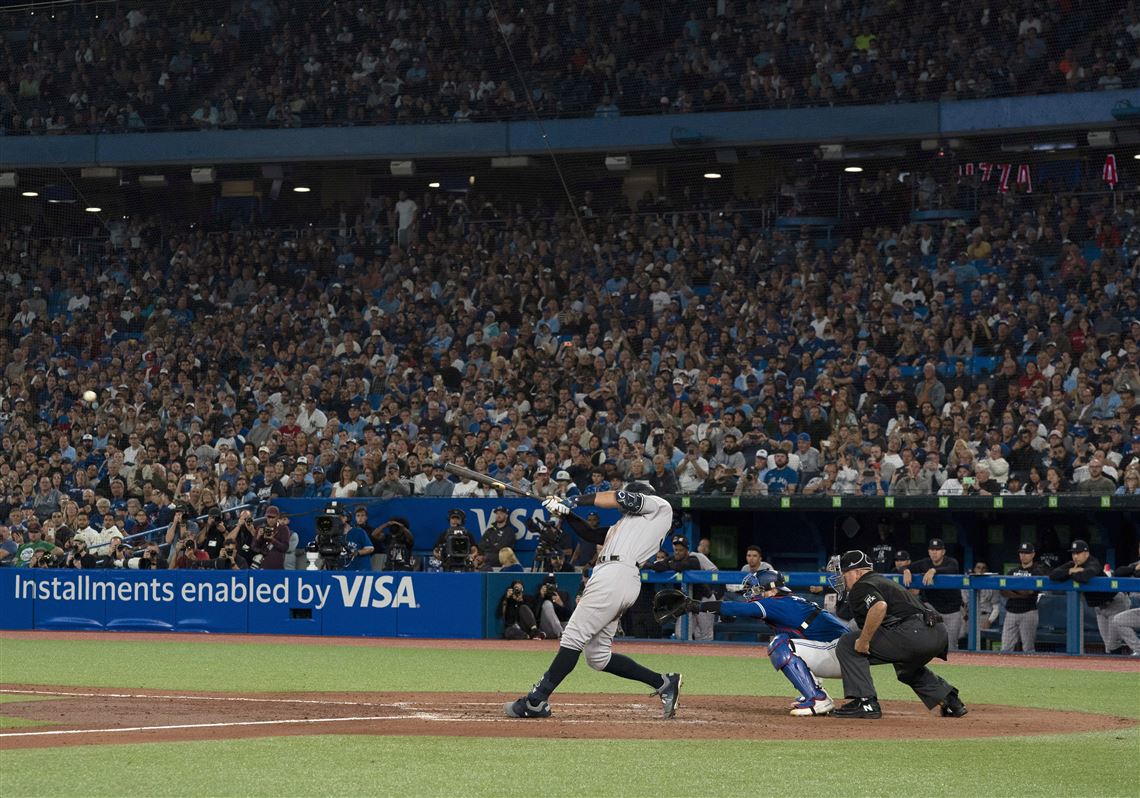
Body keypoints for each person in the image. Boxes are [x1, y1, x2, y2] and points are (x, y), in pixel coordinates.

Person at [505, 483, 682, 719]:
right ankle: (663, 682)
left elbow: (619, 497)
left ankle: (536, 701)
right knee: (597, 657)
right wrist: (566, 513)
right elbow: (590, 533)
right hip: (613, 576)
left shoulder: (659, 507)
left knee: (572, 638)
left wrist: (573, 500)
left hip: (616, 575)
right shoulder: (626, 526)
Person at [686, 569, 850, 716]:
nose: (752, 594)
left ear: (772, 590)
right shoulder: (786, 601)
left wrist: (695, 605)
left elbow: (737, 608)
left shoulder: (777, 602)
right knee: (790, 642)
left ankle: (817, 698)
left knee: (780, 645)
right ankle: (814, 691)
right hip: (842, 654)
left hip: (841, 654)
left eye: (757, 590)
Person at [832, 550, 967, 719]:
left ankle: (865, 701)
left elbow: (879, 606)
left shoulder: (862, 585)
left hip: (913, 632)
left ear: (858, 572)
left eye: (844, 573)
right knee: (906, 667)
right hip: (936, 632)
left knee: (848, 644)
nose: (841, 578)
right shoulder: (880, 580)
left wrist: (864, 641)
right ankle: (950, 701)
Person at [1049, 539, 1131, 655]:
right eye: (1073, 553)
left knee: (1113, 644)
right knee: (1108, 645)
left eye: (1078, 553)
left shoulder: (1093, 562)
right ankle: (1112, 669)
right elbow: (1052, 575)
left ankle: (1127, 666)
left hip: (1115, 603)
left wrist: (1070, 573)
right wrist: (1071, 570)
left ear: (1086, 553)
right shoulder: (1073, 565)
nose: (1075, 556)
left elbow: (1084, 576)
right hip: (1099, 609)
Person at [901, 539, 965, 650]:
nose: (934, 552)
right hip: (933, 608)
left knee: (951, 646)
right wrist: (906, 570)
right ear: (929, 551)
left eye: (937, 549)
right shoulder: (925, 562)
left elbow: (951, 569)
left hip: (952, 611)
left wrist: (933, 570)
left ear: (943, 552)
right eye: (932, 549)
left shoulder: (951, 562)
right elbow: (901, 568)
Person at [650, 535, 715, 641]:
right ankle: (688, 654)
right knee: (681, 633)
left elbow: (681, 566)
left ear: (686, 550)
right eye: (676, 550)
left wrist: (669, 564)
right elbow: (658, 567)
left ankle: (706, 656)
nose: (677, 552)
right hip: (687, 602)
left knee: (704, 635)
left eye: (681, 550)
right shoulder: (671, 559)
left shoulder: (694, 559)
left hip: (704, 599)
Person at [1000, 542, 1048, 653]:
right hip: (1011, 613)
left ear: (1033, 554)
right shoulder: (1012, 571)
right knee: (1005, 648)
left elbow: (1030, 592)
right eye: (1021, 552)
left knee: (1028, 649)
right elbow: (1003, 591)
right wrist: (1020, 592)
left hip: (1028, 613)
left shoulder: (1037, 571)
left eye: (1026, 553)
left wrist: (1013, 590)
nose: (1023, 555)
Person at [1110, 542, 1140, 656]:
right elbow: (1118, 572)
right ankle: (1139, 649)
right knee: (1119, 620)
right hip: (1137, 611)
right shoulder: (1135, 565)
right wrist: (1134, 569)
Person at [478, 506, 514, 572]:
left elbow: (502, 547)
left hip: (501, 564)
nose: (498, 515)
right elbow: (481, 545)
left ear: (506, 515)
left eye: (501, 513)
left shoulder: (509, 531)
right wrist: (494, 544)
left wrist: (489, 543)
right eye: (497, 513)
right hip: (487, 564)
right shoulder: (490, 530)